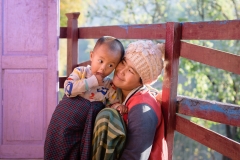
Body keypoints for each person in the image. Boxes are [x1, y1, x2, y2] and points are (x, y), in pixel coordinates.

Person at [44, 36, 126, 160]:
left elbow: (111, 103)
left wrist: (118, 107)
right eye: (100, 61)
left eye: (110, 65)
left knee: (78, 154)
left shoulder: (109, 85)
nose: (103, 68)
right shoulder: (80, 72)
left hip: (86, 128)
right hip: (66, 121)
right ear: (92, 56)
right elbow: (68, 89)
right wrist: (92, 81)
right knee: (59, 148)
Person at [92, 40, 168, 160]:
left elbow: (135, 156)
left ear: (142, 81)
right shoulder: (115, 91)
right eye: (123, 62)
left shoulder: (143, 108)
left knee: (108, 115)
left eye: (130, 71)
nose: (121, 71)